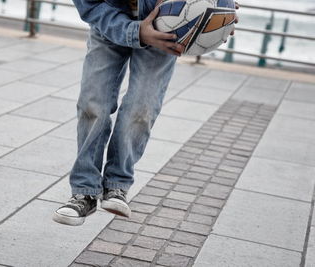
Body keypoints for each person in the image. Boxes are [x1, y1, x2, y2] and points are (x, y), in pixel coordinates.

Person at [53, 0, 238, 226]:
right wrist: (135, 31)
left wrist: (218, 11)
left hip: (166, 27)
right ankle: (84, 191)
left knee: (142, 108)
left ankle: (117, 186)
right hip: (109, 22)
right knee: (93, 104)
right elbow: (90, 5)